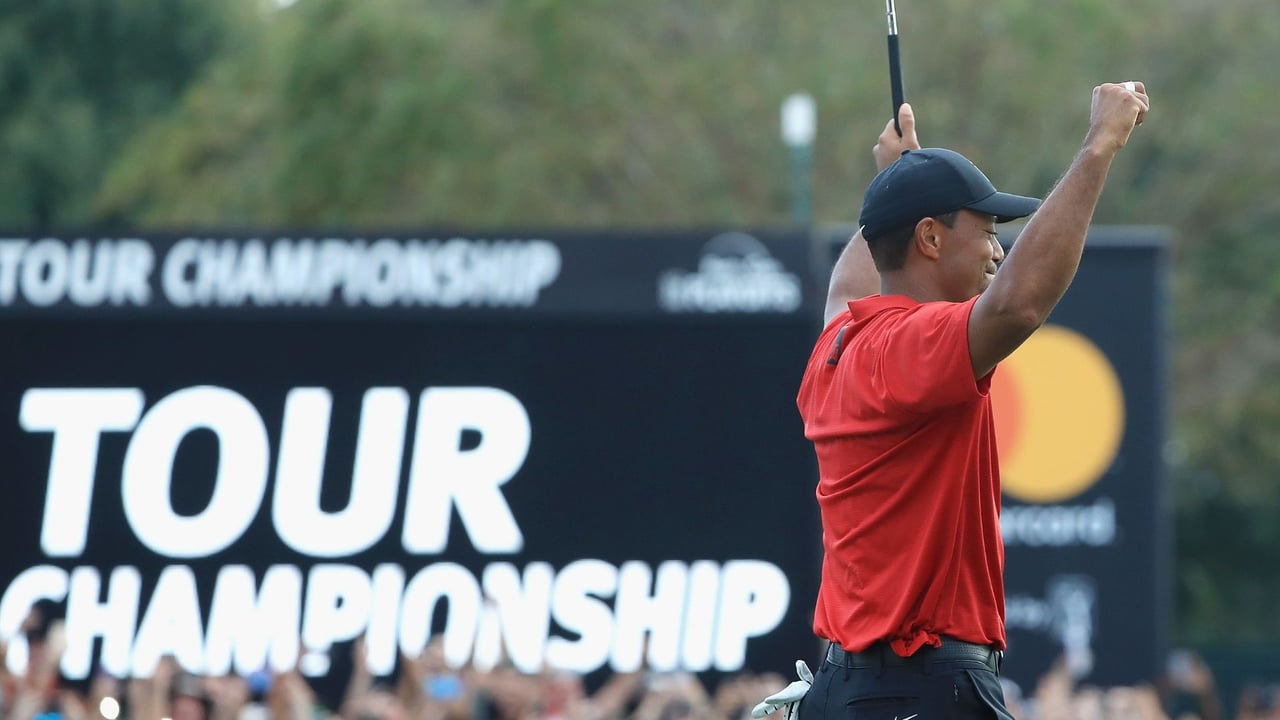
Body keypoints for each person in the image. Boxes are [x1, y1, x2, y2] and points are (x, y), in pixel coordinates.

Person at [789, 80, 1150, 720]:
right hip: (921, 690)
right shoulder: (909, 344)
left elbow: (850, 284)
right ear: (929, 238)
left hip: (845, 688)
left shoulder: (838, 341)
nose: (997, 250)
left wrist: (893, 179)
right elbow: (1018, 304)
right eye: (985, 231)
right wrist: (1099, 145)